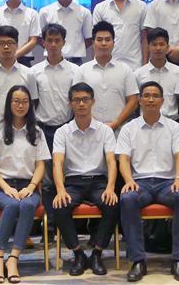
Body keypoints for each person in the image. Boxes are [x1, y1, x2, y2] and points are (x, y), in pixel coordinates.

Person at [117, 82, 179, 282]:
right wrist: (128, 180)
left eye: (155, 96)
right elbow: (123, 159)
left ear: (162, 100)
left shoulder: (174, 127)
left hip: (167, 182)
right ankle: (137, 261)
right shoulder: (128, 128)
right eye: (146, 95)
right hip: (140, 182)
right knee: (127, 199)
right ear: (139, 100)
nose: (151, 99)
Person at [0, 85, 50, 284]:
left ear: (30, 105)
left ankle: (13, 259)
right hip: (1, 187)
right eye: (16, 101)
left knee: (27, 205)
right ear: (9, 104)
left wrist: (31, 187)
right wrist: (6, 188)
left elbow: (40, 165)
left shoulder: (37, 132)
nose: (21, 105)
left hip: (28, 185)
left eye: (25, 102)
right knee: (11, 204)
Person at [51, 83, 119, 276]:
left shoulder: (105, 130)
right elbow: (57, 163)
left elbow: (111, 161)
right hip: (73, 182)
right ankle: (78, 254)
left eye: (85, 100)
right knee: (59, 206)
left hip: (99, 181)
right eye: (76, 100)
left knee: (113, 204)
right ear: (70, 103)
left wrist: (111, 187)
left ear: (92, 102)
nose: (81, 104)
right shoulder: (62, 132)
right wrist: (60, 190)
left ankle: (97, 253)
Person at [73, 21, 139, 131]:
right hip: (90, 131)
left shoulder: (125, 70)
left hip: (119, 130)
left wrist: (116, 124)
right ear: (93, 43)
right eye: (99, 40)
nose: (104, 43)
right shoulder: (82, 71)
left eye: (108, 40)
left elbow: (133, 101)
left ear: (113, 43)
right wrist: (96, 125)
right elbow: (75, 101)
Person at [0, 26, 39, 133]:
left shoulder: (29, 73)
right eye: (1, 43)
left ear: (17, 45)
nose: (6, 47)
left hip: (20, 129)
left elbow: (33, 102)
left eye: (10, 43)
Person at [31, 23, 79, 150]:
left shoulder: (75, 71)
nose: (53, 44)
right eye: (49, 40)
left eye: (57, 40)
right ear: (43, 42)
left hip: (67, 128)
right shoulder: (34, 72)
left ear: (64, 43)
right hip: (41, 129)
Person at [91, 0, 147, 70]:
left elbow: (144, 39)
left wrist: (144, 66)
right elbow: (96, 39)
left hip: (135, 65)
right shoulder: (100, 8)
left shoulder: (141, 6)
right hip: (107, 64)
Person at [38, 0, 93, 65]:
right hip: (52, 61)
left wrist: (76, 50)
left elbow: (89, 38)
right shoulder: (45, 12)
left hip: (76, 62)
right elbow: (40, 38)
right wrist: (53, 50)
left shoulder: (84, 12)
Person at [134, 27, 179, 126]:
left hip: (173, 123)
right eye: (154, 44)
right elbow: (135, 103)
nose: (158, 48)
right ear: (148, 47)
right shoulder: (138, 74)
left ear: (167, 47)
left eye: (161, 44)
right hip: (145, 124)